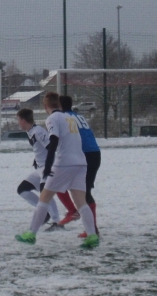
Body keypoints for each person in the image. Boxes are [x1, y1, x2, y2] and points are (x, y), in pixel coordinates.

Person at [15, 92, 99, 248]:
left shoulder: (52, 118)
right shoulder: (70, 117)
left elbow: (53, 142)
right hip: (81, 162)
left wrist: (47, 168)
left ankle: (31, 234)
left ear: (46, 106)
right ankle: (92, 236)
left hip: (64, 163)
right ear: (59, 104)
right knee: (81, 202)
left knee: (44, 197)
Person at [15, 108, 64, 231]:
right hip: (40, 169)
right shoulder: (30, 131)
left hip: (48, 168)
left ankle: (57, 222)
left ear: (24, 120)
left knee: (45, 194)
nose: (18, 123)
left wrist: (50, 167)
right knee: (22, 189)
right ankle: (45, 213)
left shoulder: (38, 131)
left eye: (18, 120)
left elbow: (51, 147)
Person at [59, 95, 100, 238]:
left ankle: (91, 229)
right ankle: (91, 228)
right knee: (83, 191)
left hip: (85, 154)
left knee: (81, 192)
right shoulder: (77, 115)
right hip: (93, 153)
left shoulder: (64, 118)